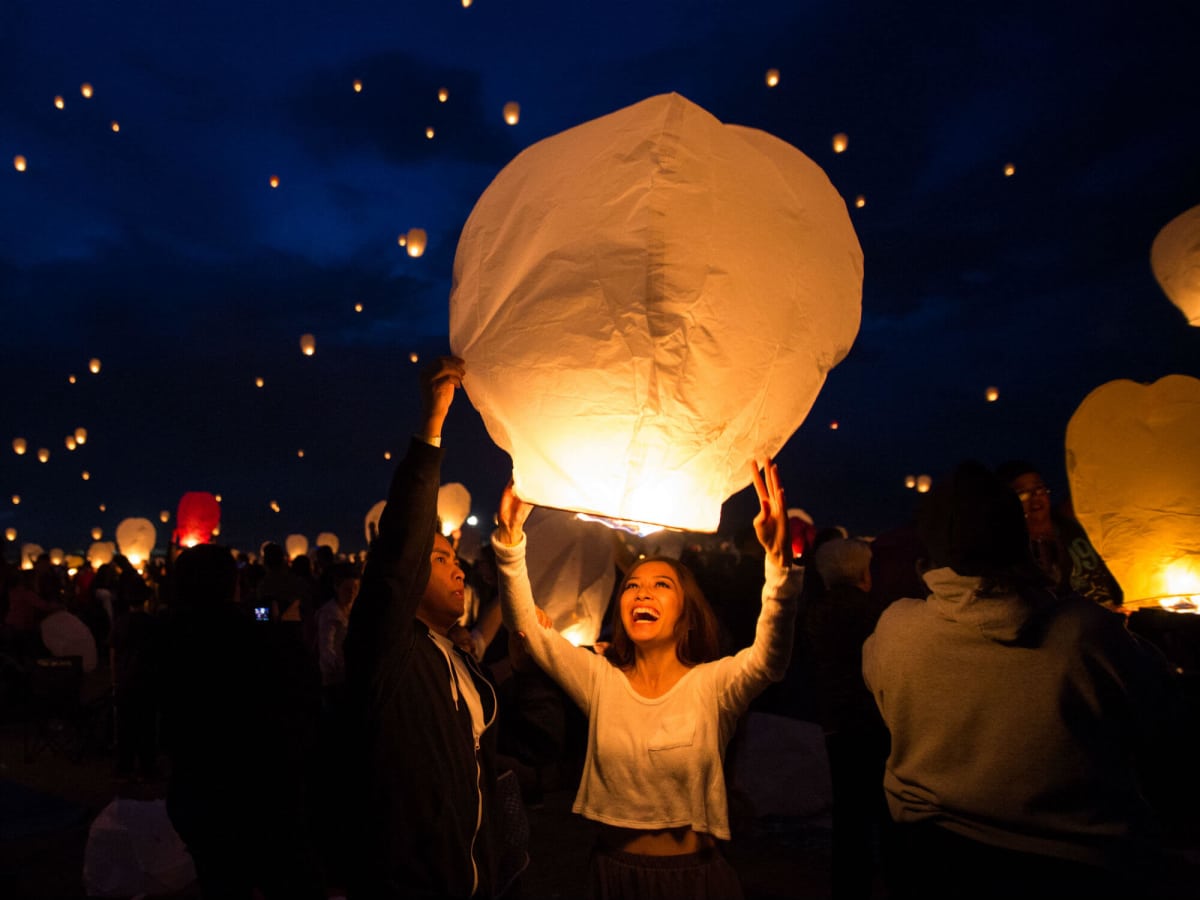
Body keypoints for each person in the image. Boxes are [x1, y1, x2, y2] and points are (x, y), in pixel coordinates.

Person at [862, 461, 1178, 899]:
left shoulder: (895, 629)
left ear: (930, 548)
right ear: (1018, 538)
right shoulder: (1086, 633)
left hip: (931, 857)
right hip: (1076, 867)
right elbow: (1162, 709)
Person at [492, 459, 800, 898]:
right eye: (633, 585)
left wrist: (778, 563)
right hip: (612, 878)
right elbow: (526, 625)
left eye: (662, 585)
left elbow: (771, 658)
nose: (642, 592)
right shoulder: (602, 680)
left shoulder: (714, 685)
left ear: (686, 615)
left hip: (695, 880)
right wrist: (509, 540)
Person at [343, 355, 506, 899]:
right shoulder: (387, 651)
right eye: (437, 558)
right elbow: (395, 558)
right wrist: (431, 429)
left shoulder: (454, 655)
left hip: (477, 874)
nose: (458, 566)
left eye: (455, 557)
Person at [802, 537, 891, 900]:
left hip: (830, 720)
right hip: (872, 720)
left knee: (846, 815)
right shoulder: (877, 614)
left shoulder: (812, 612)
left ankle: (847, 885)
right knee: (878, 813)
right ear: (864, 573)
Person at [995, 459, 1123, 607]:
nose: (1035, 498)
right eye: (1023, 494)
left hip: (1116, 613)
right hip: (1077, 624)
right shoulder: (1016, 550)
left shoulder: (1068, 522)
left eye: (1039, 489)